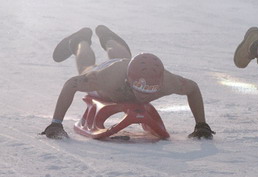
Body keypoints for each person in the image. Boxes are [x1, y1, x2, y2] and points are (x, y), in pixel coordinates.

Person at [41, 26, 215, 140]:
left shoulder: (168, 81)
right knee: (86, 68)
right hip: (110, 78)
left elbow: (193, 88)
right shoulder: (105, 78)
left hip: (125, 64)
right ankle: (81, 41)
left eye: (149, 90)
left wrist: (201, 125)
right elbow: (72, 84)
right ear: (128, 79)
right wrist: (56, 123)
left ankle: (108, 38)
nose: (142, 95)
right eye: (139, 88)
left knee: (124, 58)